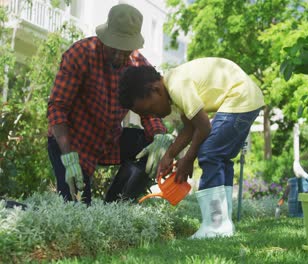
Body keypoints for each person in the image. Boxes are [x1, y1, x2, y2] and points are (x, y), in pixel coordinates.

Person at [119, 58, 265, 238]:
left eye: (150, 109)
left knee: (209, 153)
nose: (153, 115)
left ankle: (215, 226)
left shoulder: (177, 86)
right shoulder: (173, 87)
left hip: (240, 98)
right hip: (247, 97)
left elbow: (204, 126)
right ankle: (223, 224)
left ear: (156, 89)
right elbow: (190, 128)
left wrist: (188, 159)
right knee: (218, 157)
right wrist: (169, 155)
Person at [47, 4, 166, 206]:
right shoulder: (81, 54)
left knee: (152, 147)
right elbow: (58, 108)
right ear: (105, 38)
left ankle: (114, 207)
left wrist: (159, 136)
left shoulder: (138, 66)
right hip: (72, 143)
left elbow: (149, 111)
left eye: (125, 50)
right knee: (76, 211)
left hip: (110, 139)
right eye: (115, 48)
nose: (120, 56)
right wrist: (68, 157)